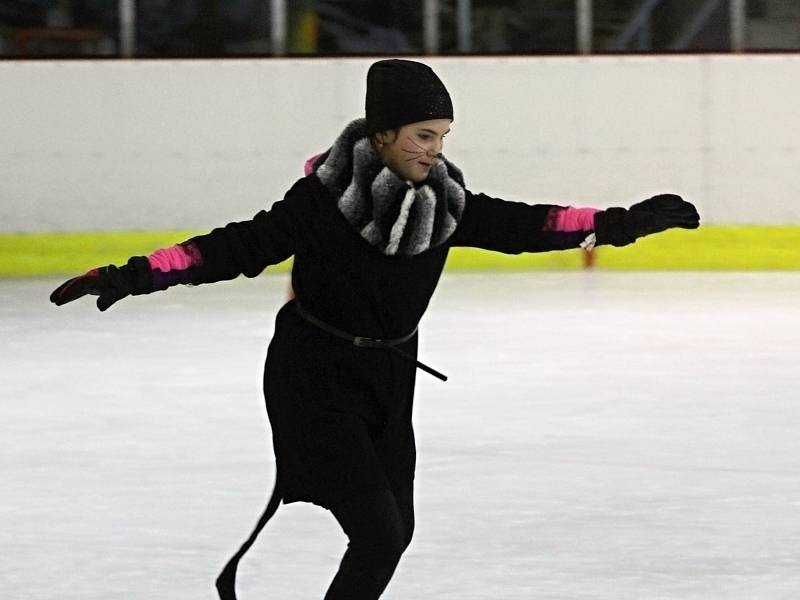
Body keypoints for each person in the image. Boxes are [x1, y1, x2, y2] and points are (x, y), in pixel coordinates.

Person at [49, 59, 700, 599]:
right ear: (383, 134)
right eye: (423, 135)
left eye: (443, 135)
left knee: (394, 531)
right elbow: (235, 248)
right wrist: (131, 275)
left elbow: (527, 225)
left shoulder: (446, 203)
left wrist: (620, 223)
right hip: (314, 376)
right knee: (381, 533)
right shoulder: (326, 200)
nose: (435, 149)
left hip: (388, 379)